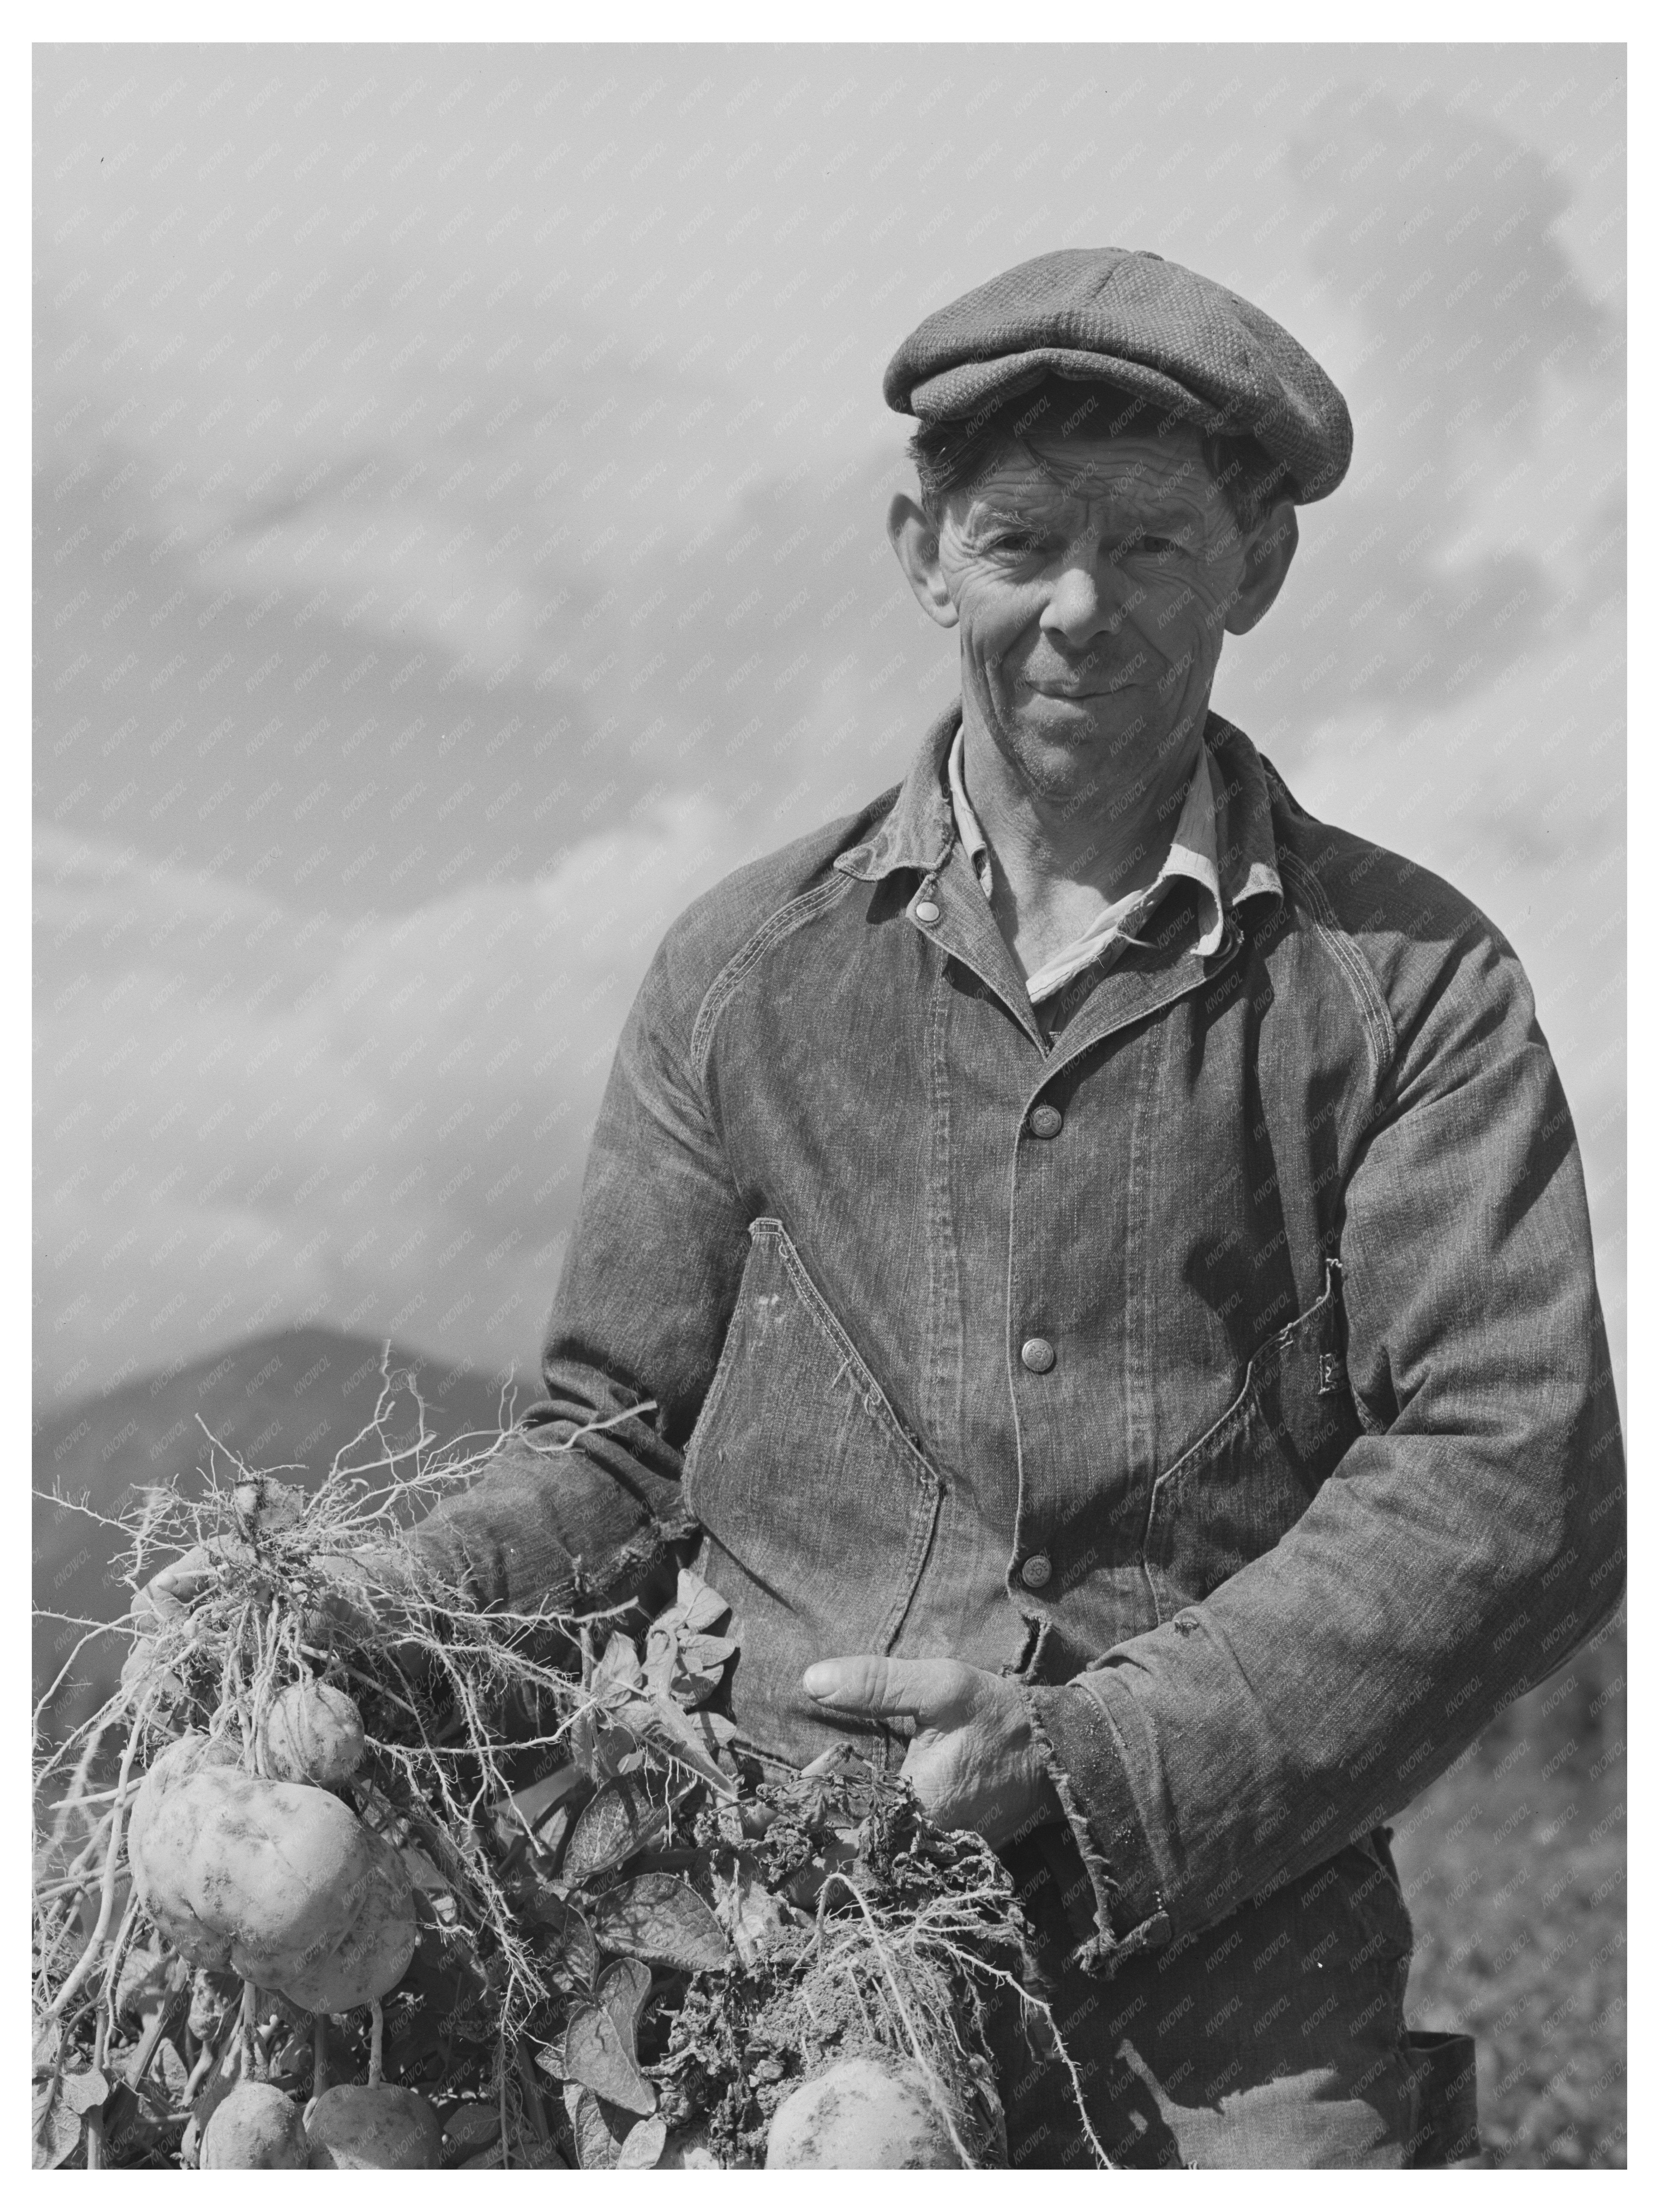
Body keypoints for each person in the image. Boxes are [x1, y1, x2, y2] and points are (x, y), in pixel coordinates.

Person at [141, 248, 1624, 2166]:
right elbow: (613, 1444)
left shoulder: (1410, 987)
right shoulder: (746, 972)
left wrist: (1100, 1761)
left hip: (1221, 1929)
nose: (1083, 608)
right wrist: (379, 1609)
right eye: (1023, 544)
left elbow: (1517, 1467)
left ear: (1258, 563)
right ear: (926, 551)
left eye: (1154, 546)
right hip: (750, 1895)